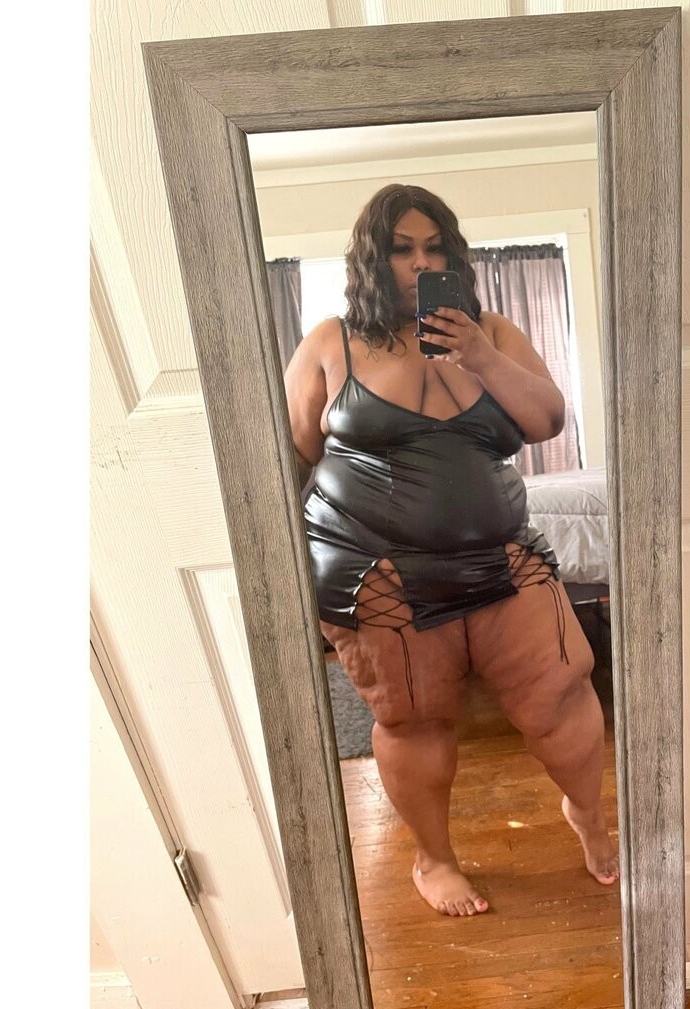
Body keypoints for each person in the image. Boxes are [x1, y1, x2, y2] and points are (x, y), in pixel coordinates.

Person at [284, 183, 617, 917]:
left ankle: (587, 812)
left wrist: (479, 356)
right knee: (415, 720)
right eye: (402, 249)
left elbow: (547, 420)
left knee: (562, 692)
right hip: (375, 568)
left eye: (434, 248)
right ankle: (433, 859)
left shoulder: (491, 333)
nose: (420, 262)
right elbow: (293, 452)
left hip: (502, 552)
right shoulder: (330, 343)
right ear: (372, 258)